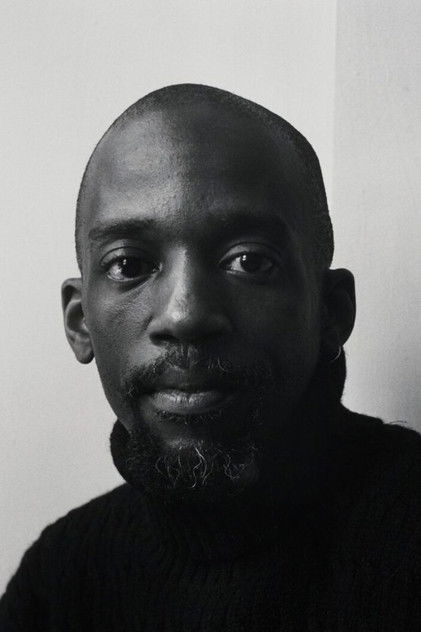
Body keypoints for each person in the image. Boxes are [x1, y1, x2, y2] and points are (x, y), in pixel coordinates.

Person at [1, 84, 420, 631]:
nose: (184, 314)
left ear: (331, 312)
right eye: (129, 265)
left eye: (249, 261)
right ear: (81, 323)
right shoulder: (58, 582)